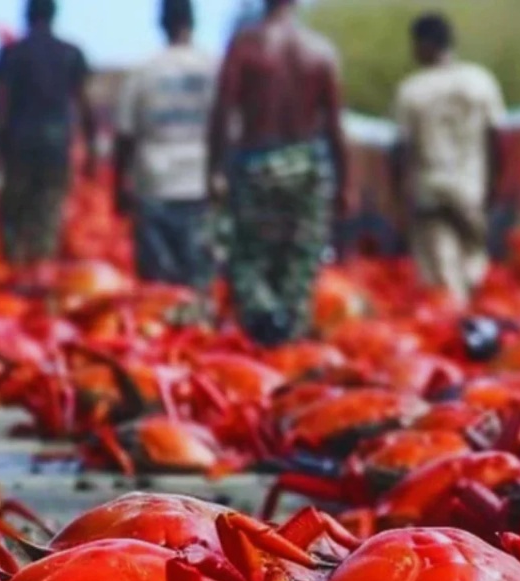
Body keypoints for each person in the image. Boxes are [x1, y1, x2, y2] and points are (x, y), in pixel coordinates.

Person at [208, 0, 349, 346]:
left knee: (248, 256)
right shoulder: (320, 51)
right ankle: (290, 334)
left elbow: (223, 113)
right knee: (300, 258)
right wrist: (345, 184)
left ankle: (262, 325)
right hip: (306, 166)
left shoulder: (245, 46)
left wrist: (213, 170)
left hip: (255, 162)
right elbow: (333, 127)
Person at [391, 13, 505, 299]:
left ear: (426, 44)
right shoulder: (481, 81)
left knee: (440, 277)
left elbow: (400, 151)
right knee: (472, 265)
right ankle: (475, 330)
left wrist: (398, 197)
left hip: (430, 192)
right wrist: (495, 185)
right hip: (471, 189)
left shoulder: (412, 90)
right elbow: (498, 140)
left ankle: (455, 332)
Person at [115, 0, 217, 288]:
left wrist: (119, 188)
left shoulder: (144, 71)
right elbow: (227, 130)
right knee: (197, 277)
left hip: (154, 183)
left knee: (156, 284)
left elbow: (125, 135)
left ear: (161, 24)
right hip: (199, 183)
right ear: (193, 23)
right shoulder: (212, 69)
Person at [0, 0, 97, 267]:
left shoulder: (11, 53)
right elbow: (85, 104)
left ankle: (15, 265)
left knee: (13, 208)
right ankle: (41, 266)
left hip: (18, 143)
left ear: (26, 16)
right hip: (55, 143)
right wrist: (92, 148)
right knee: (48, 208)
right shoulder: (71, 53)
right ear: (53, 16)